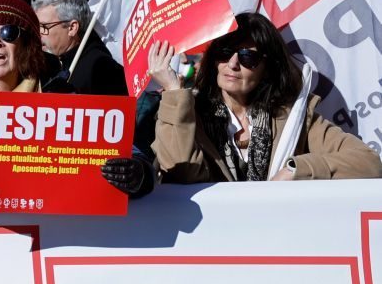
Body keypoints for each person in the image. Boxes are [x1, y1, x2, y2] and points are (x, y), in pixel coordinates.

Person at [0, 0, 153, 201]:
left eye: (8, 32)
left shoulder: (60, 95)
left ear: (28, 44)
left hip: (50, 238)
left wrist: (138, 175)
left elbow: (131, 155)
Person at [148, 12, 382, 183]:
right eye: (225, 52)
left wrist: (296, 169)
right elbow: (180, 171)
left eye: (248, 57)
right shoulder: (186, 112)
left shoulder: (293, 118)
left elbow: (369, 162)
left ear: (268, 68)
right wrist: (172, 90)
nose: (233, 64)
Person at [32, 0, 127, 96]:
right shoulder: (57, 64)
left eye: (44, 26)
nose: (38, 33)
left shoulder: (101, 67)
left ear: (72, 28)